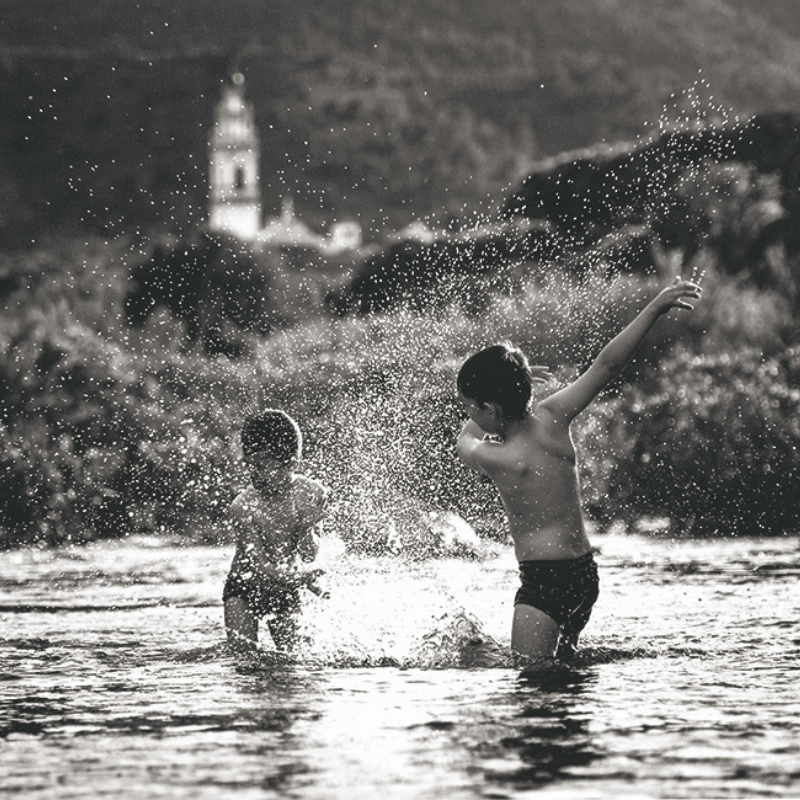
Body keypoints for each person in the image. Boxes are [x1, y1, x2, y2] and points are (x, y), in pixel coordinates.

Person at [456, 278, 702, 663]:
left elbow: (464, 443)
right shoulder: (554, 416)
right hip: (584, 577)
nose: (468, 414)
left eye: (471, 407)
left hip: (543, 583)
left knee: (530, 677)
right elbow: (607, 364)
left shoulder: (499, 458)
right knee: (565, 676)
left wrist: (474, 422)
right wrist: (655, 307)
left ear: (489, 409)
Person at [223, 409, 329, 651]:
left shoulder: (310, 494)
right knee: (244, 658)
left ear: (291, 464)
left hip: (286, 588)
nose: (254, 473)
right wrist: (299, 578)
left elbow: (309, 555)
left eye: (263, 466)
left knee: (295, 659)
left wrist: (306, 526)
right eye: (250, 465)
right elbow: (259, 564)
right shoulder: (242, 506)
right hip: (243, 588)